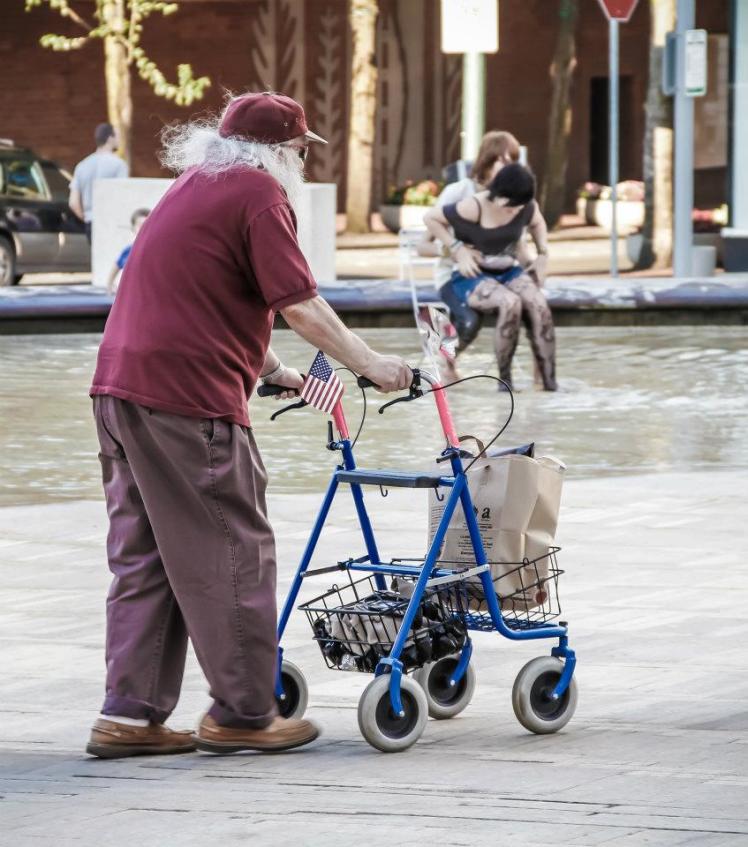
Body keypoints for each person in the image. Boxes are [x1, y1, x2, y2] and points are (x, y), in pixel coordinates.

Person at [86, 92, 412, 760]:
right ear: (276, 150)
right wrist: (372, 363)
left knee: (146, 555)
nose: (300, 160)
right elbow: (301, 304)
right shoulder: (260, 194)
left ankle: (131, 714)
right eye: (299, 149)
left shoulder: (192, 188)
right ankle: (243, 711)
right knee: (233, 548)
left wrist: (272, 371)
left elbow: (207, 294)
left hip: (120, 388)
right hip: (185, 399)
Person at [424, 163, 556, 391]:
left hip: (508, 270)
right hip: (472, 274)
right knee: (510, 302)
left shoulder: (526, 206)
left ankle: (550, 384)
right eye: (512, 208)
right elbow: (431, 218)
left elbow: (537, 222)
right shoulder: (472, 206)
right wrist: (457, 248)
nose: (516, 213)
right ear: (501, 199)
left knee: (538, 304)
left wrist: (542, 253)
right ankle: (505, 383)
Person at [69, 123, 129, 241]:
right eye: (117, 136)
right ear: (110, 138)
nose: (119, 140)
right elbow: (122, 196)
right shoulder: (119, 165)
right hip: (111, 222)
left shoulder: (82, 166)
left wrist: (87, 218)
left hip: (90, 222)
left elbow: (73, 203)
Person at [106, 207, 150, 295]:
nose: (144, 229)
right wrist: (109, 286)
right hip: (131, 294)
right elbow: (116, 267)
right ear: (133, 228)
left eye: (147, 225)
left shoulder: (155, 251)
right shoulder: (129, 251)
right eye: (141, 226)